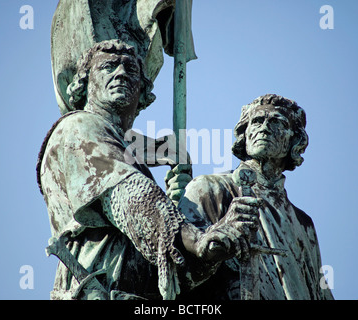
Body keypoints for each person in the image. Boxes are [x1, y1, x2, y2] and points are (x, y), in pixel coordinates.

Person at [37, 40, 258, 300]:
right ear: (84, 84)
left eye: (130, 70)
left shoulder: (129, 151)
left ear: (142, 91)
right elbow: (131, 196)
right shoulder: (78, 127)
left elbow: (179, 275)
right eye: (108, 67)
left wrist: (212, 245)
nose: (120, 73)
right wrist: (194, 238)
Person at [173, 94, 335, 299]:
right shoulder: (210, 188)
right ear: (245, 133)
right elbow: (179, 266)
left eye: (277, 122)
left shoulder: (304, 223)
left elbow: (319, 291)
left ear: (294, 140)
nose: (264, 127)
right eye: (257, 121)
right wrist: (216, 240)